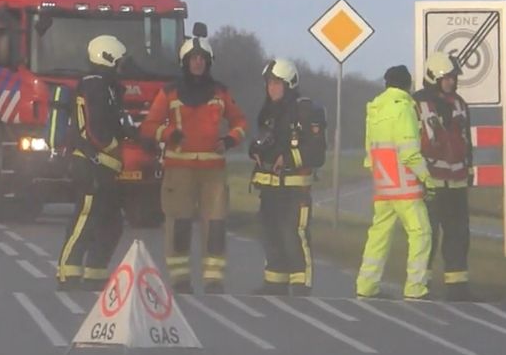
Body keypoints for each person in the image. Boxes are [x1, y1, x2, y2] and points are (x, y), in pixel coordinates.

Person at [141, 35, 248, 294]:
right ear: (185, 62)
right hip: (179, 170)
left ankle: (213, 280)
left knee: (216, 226)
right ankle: (180, 280)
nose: (198, 63)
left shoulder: (221, 92)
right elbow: (148, 127)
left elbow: (241, 122)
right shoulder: (169, 93)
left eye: (202, 59)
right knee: (179, 225)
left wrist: (230, 139)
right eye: (193, 59)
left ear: (208, 62)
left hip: (213, 171)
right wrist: (168, 135)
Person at [55, 35, 136, 291]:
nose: (122, 69)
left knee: (110, 221)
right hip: (91, 165)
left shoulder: (105, 87)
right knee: (86, 216)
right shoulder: (95, 86)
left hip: (104, 166)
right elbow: (99, 129)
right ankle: (68, 271)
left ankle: (95, 272)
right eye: (119, 62)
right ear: (108, 58)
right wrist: (124, 134)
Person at [249, 58, 327, 296]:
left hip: (295, 189)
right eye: (269, 83)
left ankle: (300, 283)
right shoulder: (269, 111)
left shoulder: (306, 110)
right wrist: (255, 150)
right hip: (270, 188)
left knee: (293, 233)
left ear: (289, 84)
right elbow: (265, 141)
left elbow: (317, 152)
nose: (271, 88)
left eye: (276, 83)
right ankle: (275, 281)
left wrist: (290, 158)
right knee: (270, 232)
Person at [356, 65, 435, 300]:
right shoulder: (404, 108)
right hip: (406, 185)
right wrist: (427, 179)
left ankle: (366, 285)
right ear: (407, 85)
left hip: (383, 184)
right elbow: (409, 152)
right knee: (421, 233)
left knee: (378, 235)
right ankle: (415, 287)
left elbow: (370, 152)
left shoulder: (375, 109)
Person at [415, 52, 475, 301]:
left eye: (453, 77)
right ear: (434, 77)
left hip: (457, 181)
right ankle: (421, 284)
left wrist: (469, 169)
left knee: (459, 234)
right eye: (447, 77)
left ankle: (457, 285)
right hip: (431, 181)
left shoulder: (460, 104)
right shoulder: (417, 105)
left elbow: (466, 141)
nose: (452, 82)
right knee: (427, 235)